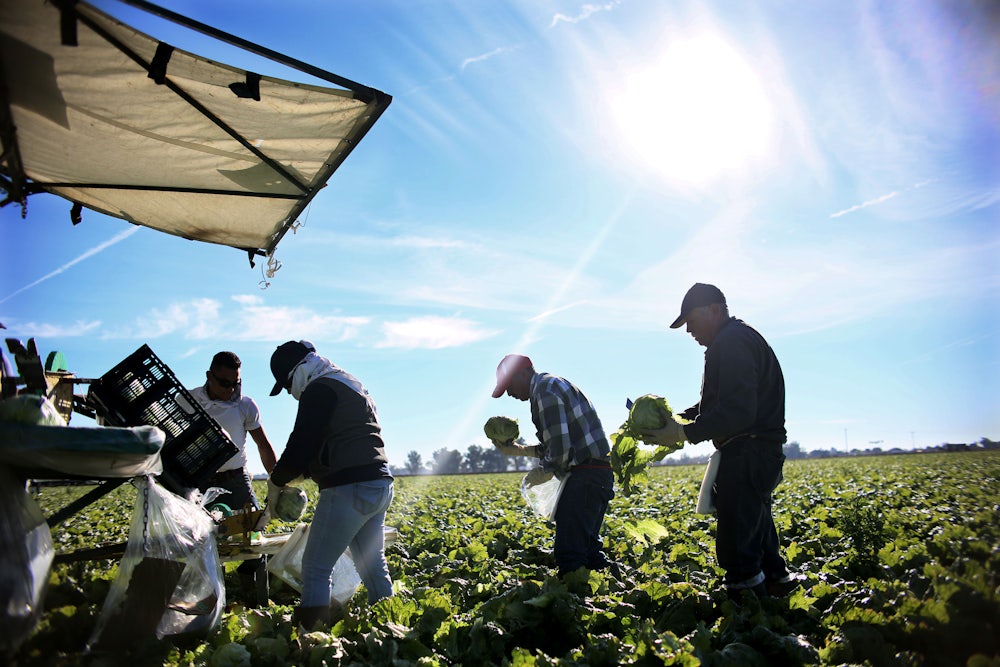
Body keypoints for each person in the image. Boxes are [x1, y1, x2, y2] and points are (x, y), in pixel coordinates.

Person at [641, 283, 797, 600]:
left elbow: (738, 410)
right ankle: (776, 586)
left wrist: (685, 433)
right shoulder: (735, 339)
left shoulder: (732, 342)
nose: (689, 332)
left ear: (714, 310)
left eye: (692, 322)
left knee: (738, 541)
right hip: (758, 452)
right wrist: (677, 420)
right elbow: (718, 404)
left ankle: (747, 611)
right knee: (756, 527)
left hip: (749, 452)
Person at [267, 340, 394, 629]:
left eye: (286, 386)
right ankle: (391, 628)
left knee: (316, 568)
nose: (289, 393)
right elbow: (333, 441)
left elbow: (300, 445)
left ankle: (312, 640)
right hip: (379, 483)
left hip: (350, 487)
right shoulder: (348, 382)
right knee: (372, 566)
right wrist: (304, 473)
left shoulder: (319, 388)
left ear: (295, 373)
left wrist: (276, 482)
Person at [489, 354, 616, 578]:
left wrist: (544, 471)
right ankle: (612, 589)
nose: (509, 393)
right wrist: (519, 451)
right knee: (587, 547)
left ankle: (576, 603)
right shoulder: (552, 385)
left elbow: (560, 448)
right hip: (597, 473)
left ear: (523, 373)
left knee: (570, 553)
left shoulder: (545, 391)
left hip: (585, 476)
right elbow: (560, 442)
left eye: (509, 385)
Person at [188, 351, 277, 511]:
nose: (230, 390)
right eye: (224, 383)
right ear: (209, 376)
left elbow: (262, 445)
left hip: (235, 480)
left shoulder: (246, 406)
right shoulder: (189, 400)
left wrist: (278, 482)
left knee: (252, 529)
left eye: (235, 383)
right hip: (199, 482)